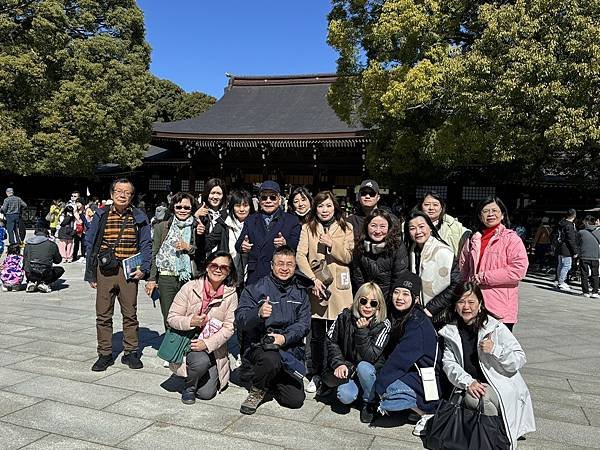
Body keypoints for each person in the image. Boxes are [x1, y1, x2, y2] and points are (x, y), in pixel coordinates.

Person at [438, 282, 535, 448]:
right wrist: (468, 382)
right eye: (461, 302)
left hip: (500, 384)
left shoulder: (495, 327)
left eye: (471, 302)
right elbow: (449, 363)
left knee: (478, 398)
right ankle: (490, 437)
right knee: (474, 396)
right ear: (455, 306)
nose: (466, 307)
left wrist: (495, 349)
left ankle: (494, 440)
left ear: (480, 304)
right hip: (472, 384)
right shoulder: (450, 332)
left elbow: (519, 359)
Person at [85, 178, 152, 372]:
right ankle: (104, 353)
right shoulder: (101, 214)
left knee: (130, 313)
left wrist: (145, 268)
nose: (123, 195)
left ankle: (130, 352)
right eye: (119, 191)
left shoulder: (139, 216)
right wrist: (91, 273)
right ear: (112, 194)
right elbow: (91, 242)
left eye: (127, 192)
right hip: (105, 269)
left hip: (129, 270)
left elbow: (146, 244)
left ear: (132, 196)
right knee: (103, 314)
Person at [235, 246, 312, 415]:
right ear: (272, 265)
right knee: (270, 359)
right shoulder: (255, 289)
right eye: (280, 264)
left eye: (289, 264)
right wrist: (258, 313)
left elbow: (304, 324)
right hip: (261, 348)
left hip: (288, 349)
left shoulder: (301, 293)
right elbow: (240, 319)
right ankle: (257, 389)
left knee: (294, 400)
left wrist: (284, 338)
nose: (284, 268)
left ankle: (268, 379)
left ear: (294, 267)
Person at [296, 191, 355, 394]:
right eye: (320, 206)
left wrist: (333, 244)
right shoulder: (307, 228)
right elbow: (300, 256)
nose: (324, 210)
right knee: (317, 334)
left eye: (328, 206)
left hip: (340, 289)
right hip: (317, 287)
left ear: (335, 207)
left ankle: (335, 374)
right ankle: (315, 373)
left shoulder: (347, 227)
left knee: (338, 334)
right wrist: (312, 279)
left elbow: (349, 256)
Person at [167, 251, 239, 404]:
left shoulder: (231, 294)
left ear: (228, 272)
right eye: (214, 265)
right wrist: (190, 321)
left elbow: (229, 327)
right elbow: (172, 318)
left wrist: (207, 344)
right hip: (188, 340)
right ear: (207, 267)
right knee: (200, 363)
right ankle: (189, 386)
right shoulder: (189, 287)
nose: (218, 270)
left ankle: (198, 371)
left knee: (207, 394)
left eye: (224, 268)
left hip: (213, 345)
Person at [375, 271, 441, 436]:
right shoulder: (402, 315)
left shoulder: (417, 323)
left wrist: (379, 387)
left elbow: (399, 360)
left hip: (428, 377)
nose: (399, 297)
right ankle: (413, 406)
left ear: (416, 299)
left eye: (406, 294)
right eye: (396, 292)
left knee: (389, 391)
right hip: (414, 370)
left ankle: (427, 413)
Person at [459, 196, 528, 331]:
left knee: (496, 349)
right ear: (480, 216)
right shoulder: (473, 239)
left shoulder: (511, 239)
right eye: (485, 211)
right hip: (474, 304)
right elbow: (463, 268)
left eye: (495, 211)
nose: (490, 214)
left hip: (500, 307)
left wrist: (485, 277)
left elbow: (519, 269)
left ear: (502, 215)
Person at [326, 282, 390, 423]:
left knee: (363, 367)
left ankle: (369, 401)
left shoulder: (383, 325)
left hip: (370, 372)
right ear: (357, 301)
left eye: (373, 303)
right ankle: (358, 394)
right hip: (349, 369)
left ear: (379, 306)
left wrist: (362, 332)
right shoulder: (344, 316)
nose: (367, 306)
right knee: (345, 396)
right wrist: (339, 363)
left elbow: (371, 356)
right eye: (363, 301)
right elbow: (331, 340)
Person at [145, 192, 200, 332]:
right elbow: (155, 253)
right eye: (179, 207)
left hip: (188, 277)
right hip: (166, 277)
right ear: (173, 208)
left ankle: (186, 345)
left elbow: (202, 252)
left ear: (192, 209)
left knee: (188, 314)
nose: (182, 210)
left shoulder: (196, 227)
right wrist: (152, 278)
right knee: (169, 315)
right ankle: (171, 346)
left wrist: (188, 248)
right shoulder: (161, 227)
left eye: (186, 208)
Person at [236, 181, 301, 285]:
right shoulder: (251, 220)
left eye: (273, 197)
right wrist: (243, 246)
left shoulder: (292, 220)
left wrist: (285, 245)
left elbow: (296, 247)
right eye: (264, 197)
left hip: (281, 276)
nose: (268, 201)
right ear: (259, 200)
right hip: (255, 275)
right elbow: (238, 244)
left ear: (280, 199)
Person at [404, 210, 459, 325]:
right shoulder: (412, 251)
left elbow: (456, 284)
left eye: (421, 226)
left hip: (440, 313)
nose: (418, 232)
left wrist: (431, 308)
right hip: (418, 310)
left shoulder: (444, 252)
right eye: (412, 228)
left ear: (430, 227)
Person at [351, 209, 408, 299]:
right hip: (366, 297)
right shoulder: (359, 245)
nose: (378, 231)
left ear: (389, 228)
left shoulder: (397, 247)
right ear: (367, 226)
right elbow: (358, 276)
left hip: (389, 298)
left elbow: (399, 277)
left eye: (382, 226)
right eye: (373, 226)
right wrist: (366, 297)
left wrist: (388, 300)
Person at [203, 190, 253, 289]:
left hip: (250, 276)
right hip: (228, 275)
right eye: (238, 205)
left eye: (245, 205)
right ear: (232, 207)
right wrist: (199, 231)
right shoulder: (224, 223)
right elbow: (207, 244)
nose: (242, 209)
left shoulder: (257, 224)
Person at [419, 191, 470, 255]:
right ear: (421, 207)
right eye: (427, 205)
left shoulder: (454, 225)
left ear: (441, 208)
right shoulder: (411, 225)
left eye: (435, 205)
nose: (431, 208)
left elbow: (469, 237)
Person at [23, 226, 64, 293]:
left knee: (28, 266)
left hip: (30, 272)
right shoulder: (52, 244)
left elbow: (25, 259)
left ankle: (31, 282)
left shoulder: (28, 244)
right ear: (47, 235)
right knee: (60, 270)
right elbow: (58, 260)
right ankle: (45, 283)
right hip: (45, 273)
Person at [555, 208, 579, 291]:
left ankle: (559, 281)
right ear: (574, 215)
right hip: (567, 249)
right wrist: (575, 251)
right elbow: (571, 239)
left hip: (560, 246)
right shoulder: (569, 225)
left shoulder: (561, 223)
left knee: (560, 265)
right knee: (566, 266)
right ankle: (561, 282)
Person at [578, 215, 600, 298]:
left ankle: (585, 292)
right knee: (595, 274)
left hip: (584, 255)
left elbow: (577, 243)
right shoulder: (598, 232)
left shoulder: (581, 232)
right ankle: (595, 292)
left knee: (584, 274)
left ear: (587, 222)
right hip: (595, 256)